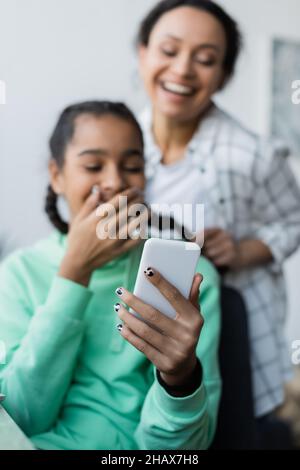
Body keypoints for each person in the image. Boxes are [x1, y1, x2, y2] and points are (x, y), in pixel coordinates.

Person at [0, 100, 221, 450]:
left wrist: (179, 379)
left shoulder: (189, 277)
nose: (115, 181)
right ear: (56, 176)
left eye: (131, 166)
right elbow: (20, 419)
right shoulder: (18, 274)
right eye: (93, 165)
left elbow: (181, 452)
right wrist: (74, 273)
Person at [136, 0, 300, 424]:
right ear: (143, 53)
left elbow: (293, 220)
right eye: (169, 51)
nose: (184, 70)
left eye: (206, 59)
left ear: (224, 74)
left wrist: (247, 251)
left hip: (229, 336)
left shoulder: (254, 154)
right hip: (136, 339)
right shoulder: (120, 146)